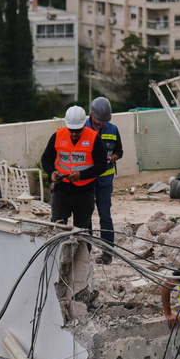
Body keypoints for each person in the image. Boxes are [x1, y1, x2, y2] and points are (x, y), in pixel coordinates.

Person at [40, 106, 109, 231]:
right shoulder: (58, 136)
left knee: (81, 231)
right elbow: (46, 159)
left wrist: (81, 175)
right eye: (71, 130)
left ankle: (82, 251)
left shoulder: (94, 139)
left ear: (84, 125)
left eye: (78, 131)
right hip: (61, 192)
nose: (74, 134)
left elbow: (102, 165)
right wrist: (51, 172)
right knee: (58, 229)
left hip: (84, 194)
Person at [86, 97, 123, 265]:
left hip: (105, 181)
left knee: (105, 215)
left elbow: (119, 152)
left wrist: (112, 158)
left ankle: (107, 253)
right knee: (85, 215)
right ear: (91, 115)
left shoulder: (113, 130)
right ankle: (85, 251)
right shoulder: (81, 129)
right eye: (98, 121)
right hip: (86, 180)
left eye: (103, 121)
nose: (100, 124)